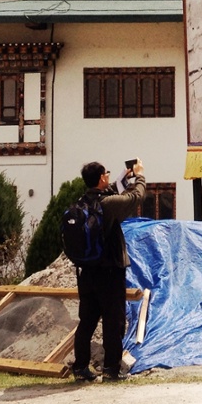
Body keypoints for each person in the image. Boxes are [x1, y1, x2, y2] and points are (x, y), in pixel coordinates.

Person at [71, 158, 146, 383]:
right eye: (107, 175)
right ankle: (112, 368)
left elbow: (114, 190)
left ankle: (81, 367)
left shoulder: (83, 203)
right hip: (109, 273)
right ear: (102, 177)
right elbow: (135, 197)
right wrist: (140, 176)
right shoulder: (108, 205)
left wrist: (124, 176)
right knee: (113, 321)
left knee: (87, 321)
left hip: (87, 272)